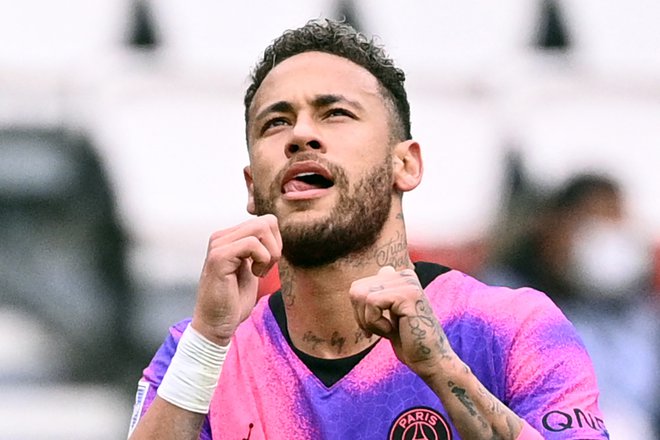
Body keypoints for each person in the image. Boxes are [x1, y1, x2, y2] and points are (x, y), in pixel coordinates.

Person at [127, 19, 609, 439]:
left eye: (335, 113)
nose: (300, 135)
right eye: (276, 123)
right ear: (253, 187)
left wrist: (442, 371)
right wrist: (209, 341)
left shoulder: (509, 328)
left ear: (406, 164)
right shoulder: (201, 354)